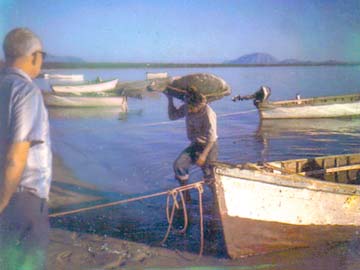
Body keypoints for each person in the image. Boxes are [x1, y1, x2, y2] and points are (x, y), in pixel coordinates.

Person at [0, 28, 52, 270]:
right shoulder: (26, 90)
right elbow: (16, 156)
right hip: (22, 197)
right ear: (34, 56)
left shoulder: (3, 85)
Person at [166, 87, 218, 196]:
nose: (188, 111)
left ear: (199, 105)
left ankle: (216, 197)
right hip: (196, 144)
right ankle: (186, 196)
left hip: (209, 146)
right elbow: (172, 116)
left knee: (209, 175)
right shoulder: (188, 106)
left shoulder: (208, 113)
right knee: (179, 165)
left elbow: (212, 138)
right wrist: (170, 99)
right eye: (188, 107)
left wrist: (203, 156)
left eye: (191, 108)